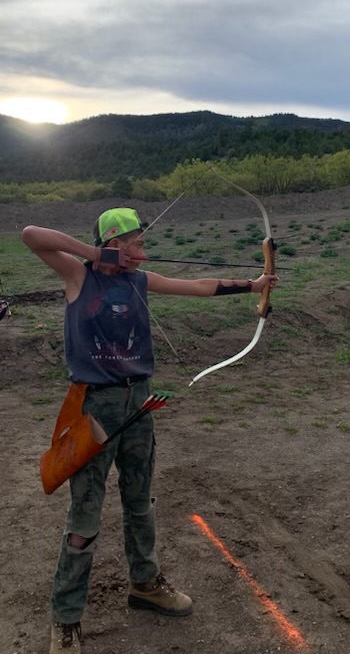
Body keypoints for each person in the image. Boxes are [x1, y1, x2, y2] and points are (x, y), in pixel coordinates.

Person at [22, 207, 278, 654]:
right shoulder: (79, 276)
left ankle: (145, 583)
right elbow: (31, 234)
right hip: (94, 408)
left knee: (140, 502)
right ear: (114, 244)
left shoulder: (140, 280)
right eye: (137, 244)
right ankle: (66, 618)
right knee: (85, 515)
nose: (143, 251)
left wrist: (253, 286)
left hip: (139, 402)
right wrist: (94, 255)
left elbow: (198, 286)